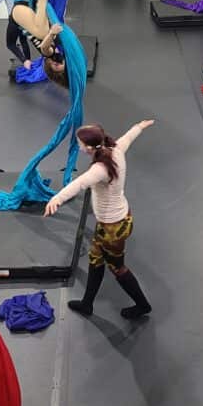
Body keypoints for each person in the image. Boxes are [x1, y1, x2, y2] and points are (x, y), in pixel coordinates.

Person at [45, 120, 155, 320]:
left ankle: (142, 305)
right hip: (117, 220)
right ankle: (87, 303)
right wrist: (138, 127)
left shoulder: (100, 169)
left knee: (117, 267)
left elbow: (78, 184)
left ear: (88, 147)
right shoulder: (114, 149)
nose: (78, 146)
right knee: (95, 258)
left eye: (79, 144)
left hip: (112, 227)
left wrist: (56, 199)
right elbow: (128, 138)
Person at [10, 0, 68, 88]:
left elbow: (44, 47)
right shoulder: (60, 51)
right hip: (32, 7)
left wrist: (52, 34)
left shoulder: (49, 54)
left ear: (48, 65)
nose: (57, 61)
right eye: (60, 64)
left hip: (20, 12)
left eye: (55, 65)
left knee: (43, 33)